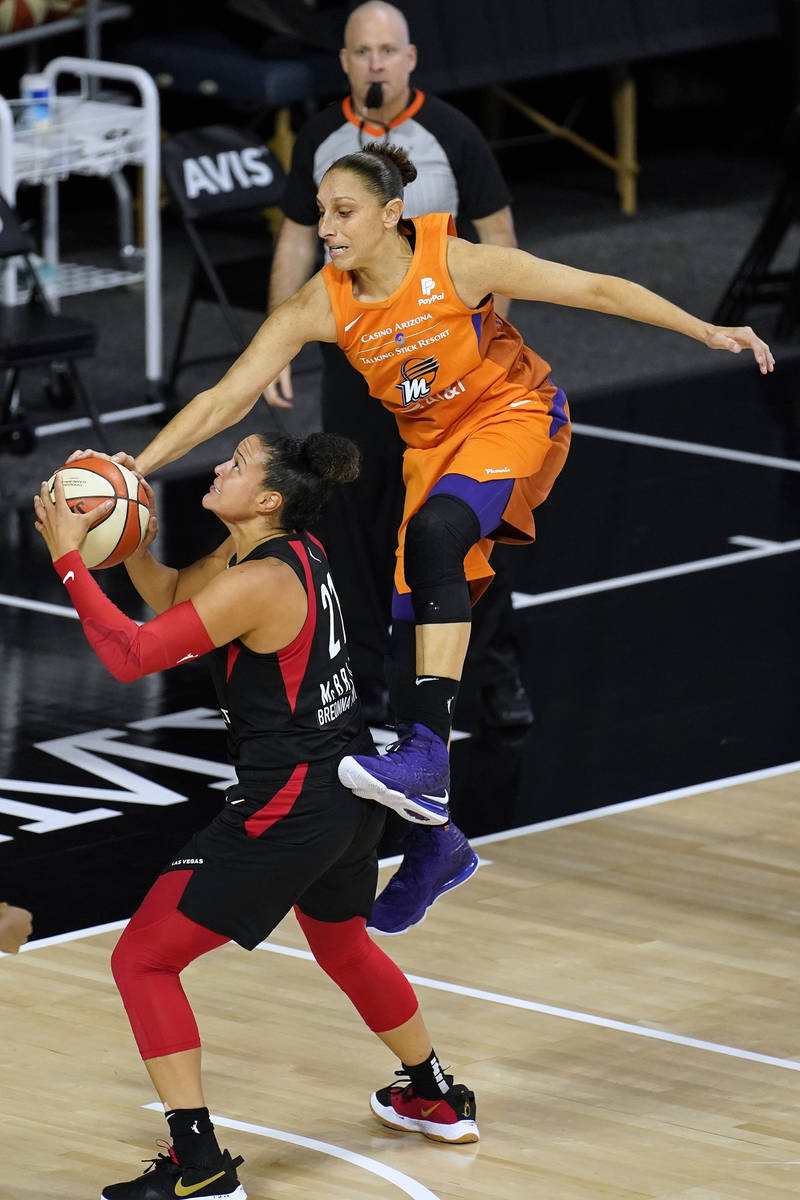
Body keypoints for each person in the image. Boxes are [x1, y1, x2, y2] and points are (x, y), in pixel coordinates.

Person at [78, 142, 773, 941]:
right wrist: (136, 467)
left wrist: (704, 328)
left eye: (343, 213)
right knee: (413, 638)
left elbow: (593, 286)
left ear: (390, 215)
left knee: (439, 535)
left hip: (513, 416)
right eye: (320, 212)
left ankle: (427, 761)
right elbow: (223, 397)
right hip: (434, 454)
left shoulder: (457, 262)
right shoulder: (323, 303)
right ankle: (433, 841)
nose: (325, 227)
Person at [34, 432, 479, 1200]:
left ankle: (198, 1166)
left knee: (141, 959)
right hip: (346, 790)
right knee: (341, 944)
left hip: (291, 804)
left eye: (235, 464)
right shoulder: (284, 549)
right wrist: (132, 540)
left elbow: (134, 655)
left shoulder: (261, 581)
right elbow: (174, 597)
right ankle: (433, 1092)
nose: (218, 467)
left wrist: (70, 559)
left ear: (269, 498)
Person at [267, 0, 531, 733]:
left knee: (459, 521)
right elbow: (293, 239)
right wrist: (278, 336)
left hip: (445, 365)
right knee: (354, 519)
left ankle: (495, 674)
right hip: (357, 365)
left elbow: (500, 239)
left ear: (410, 59)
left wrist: (488, 343)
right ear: (345, 62)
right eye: (363, 52)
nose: (376, 64)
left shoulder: (450, 133)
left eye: (388, 51)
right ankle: (367, 681)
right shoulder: (321, 137)